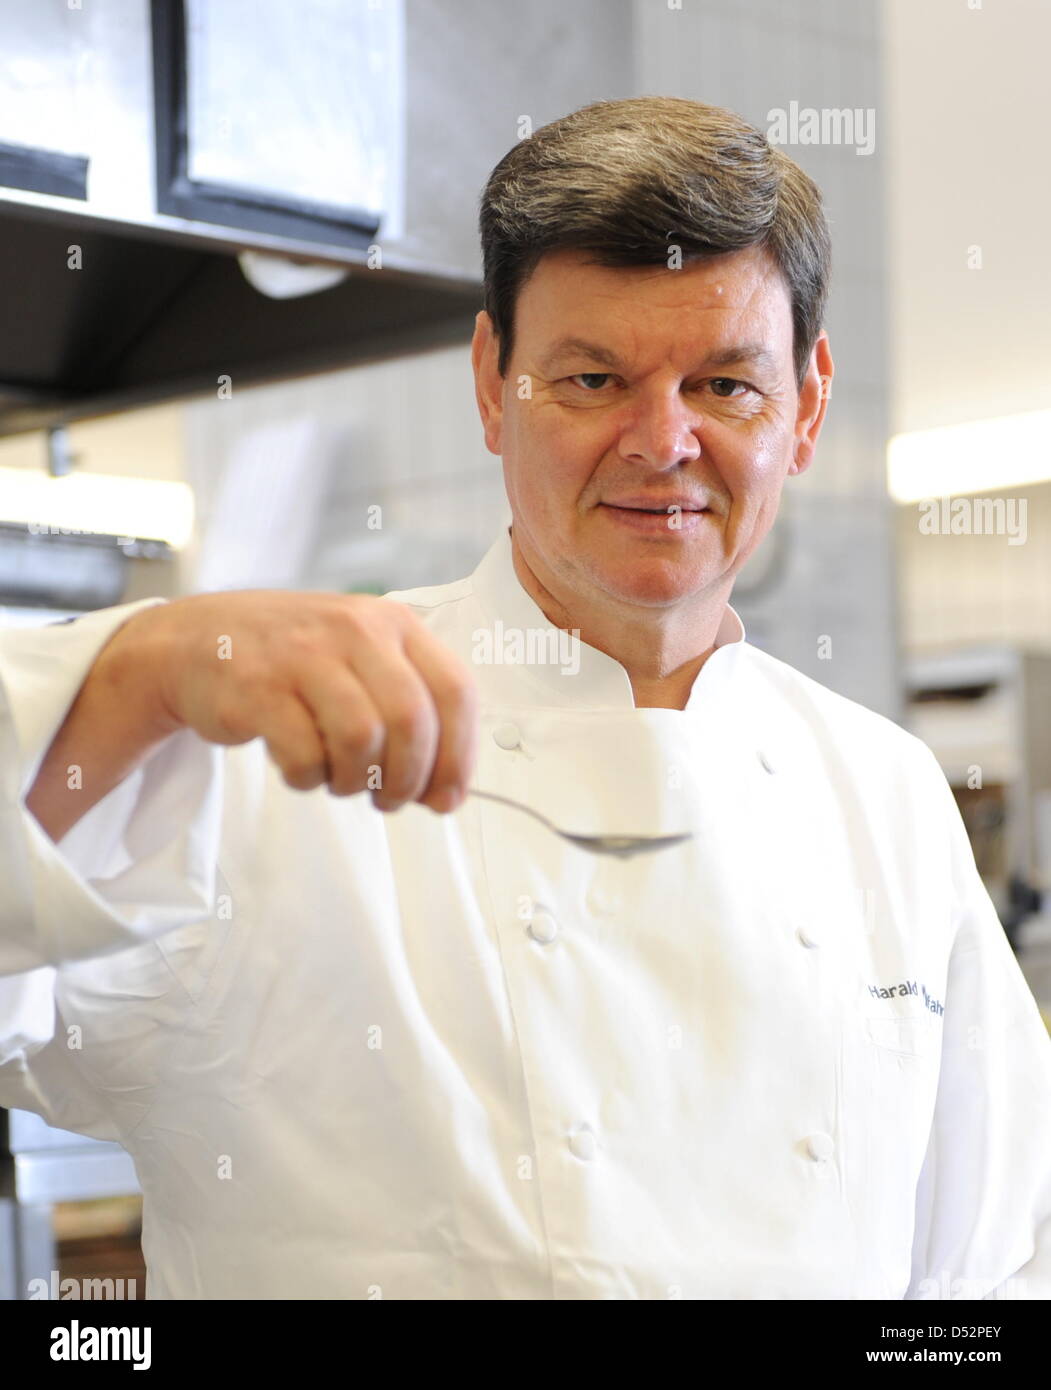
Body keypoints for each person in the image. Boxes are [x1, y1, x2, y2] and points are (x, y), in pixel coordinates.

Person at [2, 95, 1050, 1301]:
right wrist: (141, 671)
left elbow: (990, 1273)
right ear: (494, 386)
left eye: (723, 386)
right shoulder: (269, 750)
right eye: (594, 377)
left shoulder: (883, 792)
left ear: (806, 406)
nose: (661, 444)